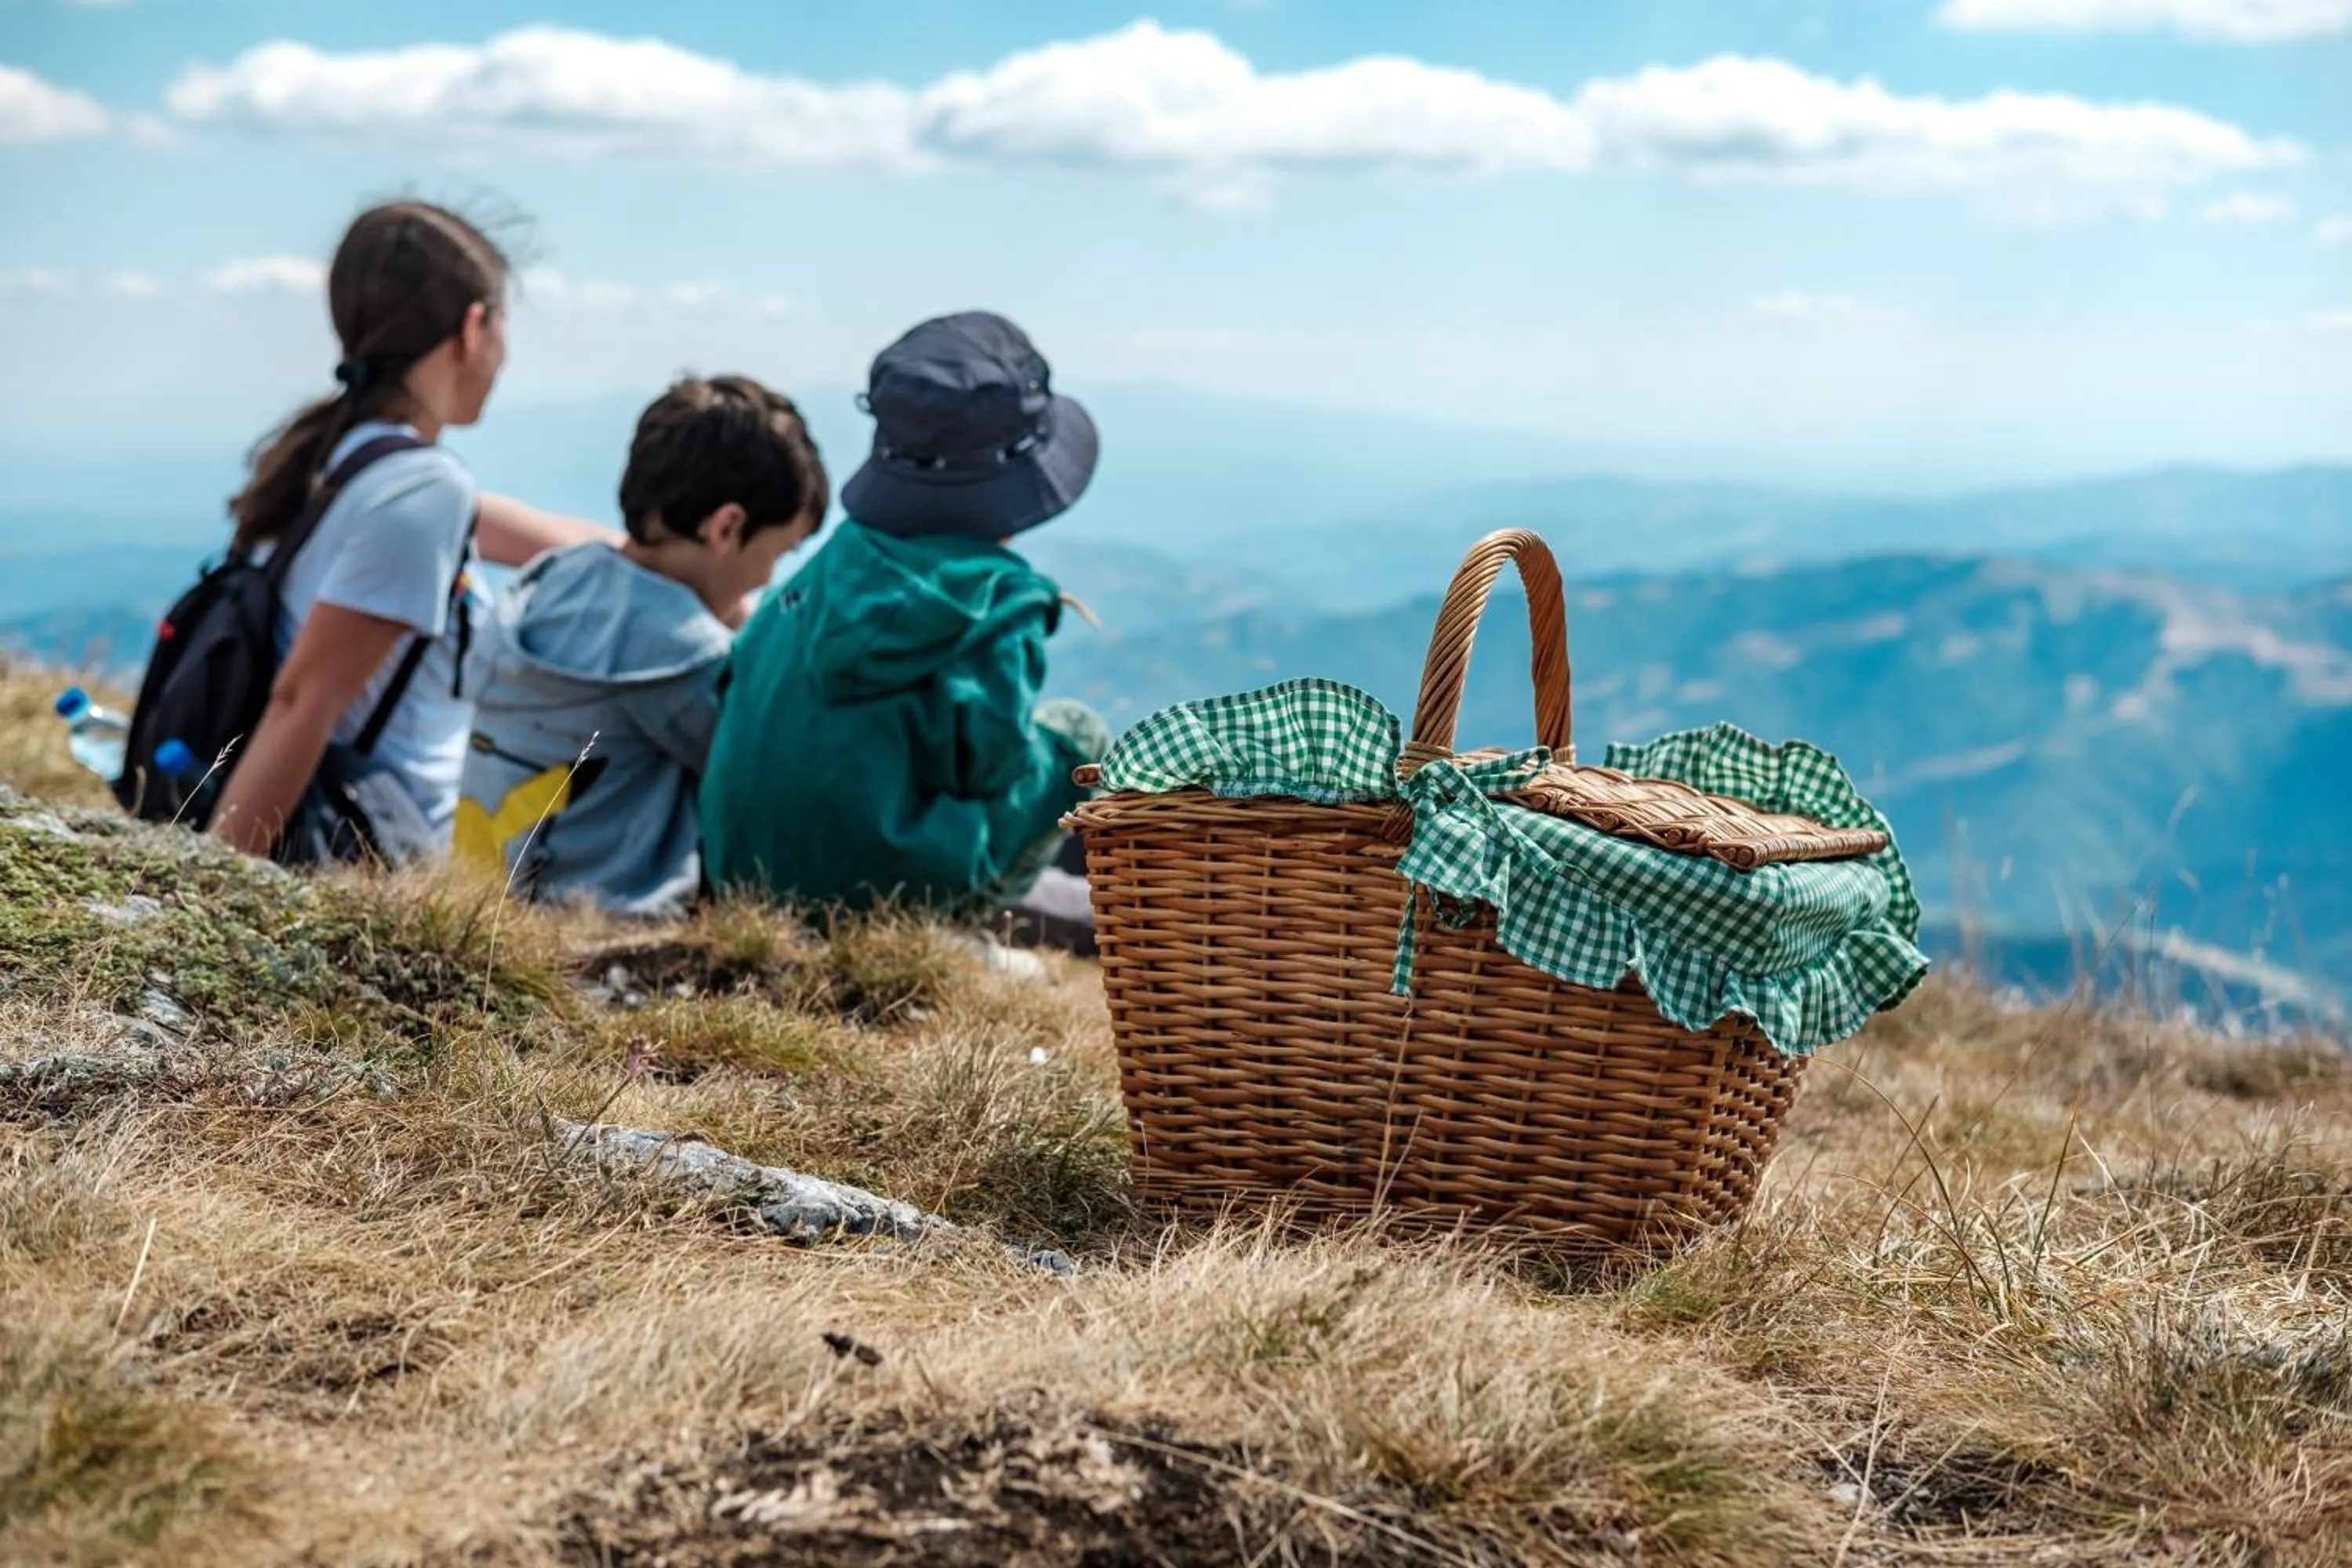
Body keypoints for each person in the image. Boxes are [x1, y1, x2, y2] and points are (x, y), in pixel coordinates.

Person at [206, 200, 615, 862]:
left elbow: (553, 539)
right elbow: (301, 703)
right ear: (474, 329)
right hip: (390, 855)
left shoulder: (346, 458)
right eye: (504, 324)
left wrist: (701, 579)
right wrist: (216, 892)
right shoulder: (421, 490)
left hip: (373, 833)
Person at [699, 311, 1109, 926]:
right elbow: (996, 766)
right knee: (1080, 736)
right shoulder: (998, 604)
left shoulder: (831, 565)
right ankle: (954, 926)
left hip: (743, 884)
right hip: (880, 902)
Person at [454, 376, 828, 915]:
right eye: (777, 552)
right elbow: (782, 781)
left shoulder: (552, 582)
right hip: (600, 945)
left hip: (482, 916)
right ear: (727, 528)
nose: (766, 580)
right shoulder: (684, 664)